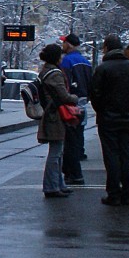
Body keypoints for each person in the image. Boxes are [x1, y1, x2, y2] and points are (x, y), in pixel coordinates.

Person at [90, 34, 129, 205]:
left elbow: (95, 94)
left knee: (111, 155)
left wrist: (102, 110)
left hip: (108, 119)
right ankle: (127, 192)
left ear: (106, 48)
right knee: (126, 153)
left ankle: (114, 193)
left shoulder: (102, 69)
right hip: (128, 117)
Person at [37, 43, 77, 198]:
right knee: (56, 152)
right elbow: (63, 96)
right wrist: (74, 98)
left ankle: (58, 184)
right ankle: (52, 186)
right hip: (55, 115)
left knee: (57, 151)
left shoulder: (45, 71)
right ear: (56, 57)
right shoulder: (55, 74)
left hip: (51, 114)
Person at [59, 33, 92, 185]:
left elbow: (65, 83)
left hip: (70, 104)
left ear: (69, 44)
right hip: (83, 103)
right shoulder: (86, 61)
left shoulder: (67, 61)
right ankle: (74, 169)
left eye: (64, 42)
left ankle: (73, 173)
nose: (63, 45)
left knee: (69, 141)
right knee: (78, 137)